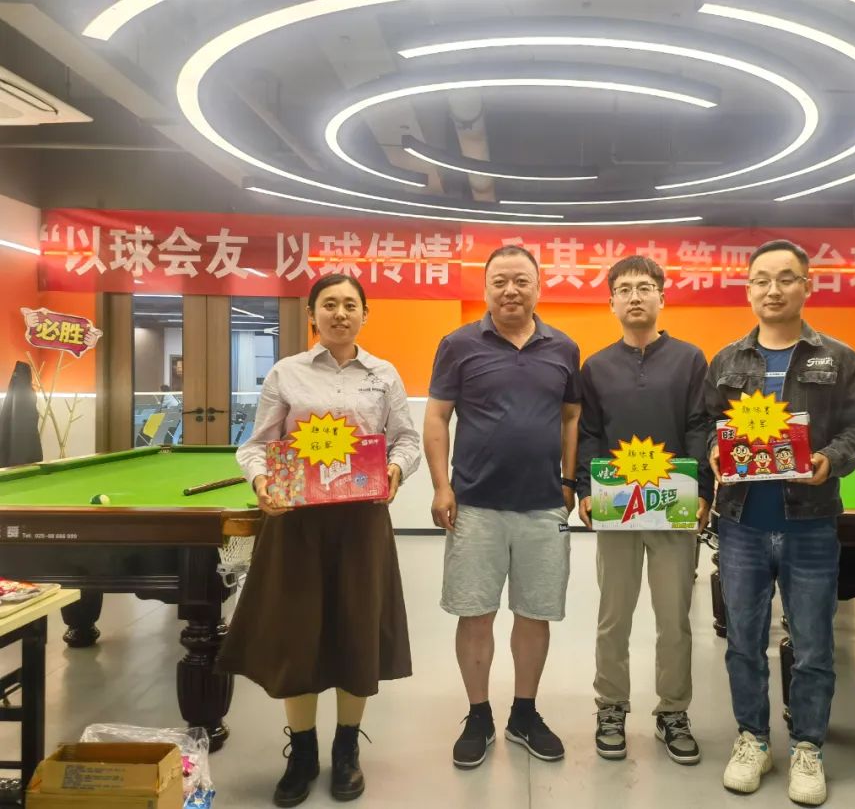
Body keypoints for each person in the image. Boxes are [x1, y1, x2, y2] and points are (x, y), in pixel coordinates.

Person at [221, 273, 420, 807]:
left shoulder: (384, 374)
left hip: (361, 523)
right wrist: (261, 482)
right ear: (312, 314)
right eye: (329, 304)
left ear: (365, 314)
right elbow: (256, 445)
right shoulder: (286, 372)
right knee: (298, 633)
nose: (340, 313)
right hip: (297, 524)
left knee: (357, 629)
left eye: (350, 305)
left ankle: (347, 748)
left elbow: (406, 440)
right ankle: (303, 751)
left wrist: (395, 471)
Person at [705, 240, 855, 806]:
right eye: (761, 280)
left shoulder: (841, 359)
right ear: (748, 288)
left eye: (785, 278)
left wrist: (831, 458)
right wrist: (713, 450)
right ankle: (752, 739)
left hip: (811, 524)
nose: (772, 289)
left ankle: (808, 747)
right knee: (743, 642)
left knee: (813, 645)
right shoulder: (727, 361)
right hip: (742, 525)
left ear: (807, 285)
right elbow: (707, 424)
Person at [424, 245, 581, 769]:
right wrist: (441, 486)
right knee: (475, 613)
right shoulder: (458, 344)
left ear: (538, 286)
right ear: (486, 287)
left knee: (535, 614)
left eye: (521, 280)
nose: (510, 290)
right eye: (500, 281)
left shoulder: (564, 347)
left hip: (543, 506)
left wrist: (568, 482)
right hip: (475, 504)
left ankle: (524, 714)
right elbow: (437, 417)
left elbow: (571, 417)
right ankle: (478, 715)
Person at [575, 255, 711, 765]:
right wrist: (586, 488)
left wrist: (703, 490)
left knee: (674, 618)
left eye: (645, 287)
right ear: (611, 302)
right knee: (614, 617)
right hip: (617, 508)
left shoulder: (690, 359)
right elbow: (589, 433)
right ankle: (611, 706)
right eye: (625, 289)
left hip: (674, 506)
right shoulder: (596, 366)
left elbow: (699, 425)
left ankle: (673, 711)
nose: (635, 296)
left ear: (662, 297)